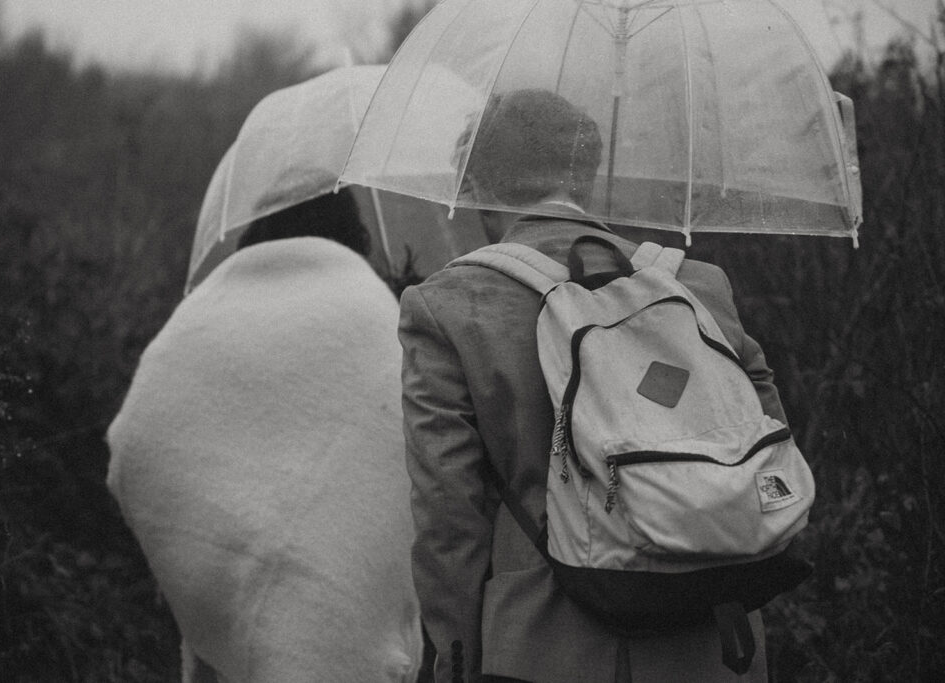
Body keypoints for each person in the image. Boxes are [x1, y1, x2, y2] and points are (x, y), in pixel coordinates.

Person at [398, 88, 789, 682]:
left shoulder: (447, 307)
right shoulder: (699, 287)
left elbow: (448, 522)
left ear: (476, 189)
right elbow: (770, 463)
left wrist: (453, 662)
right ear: (586, 174)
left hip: (543, 653)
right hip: (715, 646)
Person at [107, 191, 422, 683]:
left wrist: (195, 557)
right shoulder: (375, 317)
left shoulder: (206, 310)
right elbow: (413, 464)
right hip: (338, 624)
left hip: (217, 600)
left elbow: (133, 438)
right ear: (352, 233)